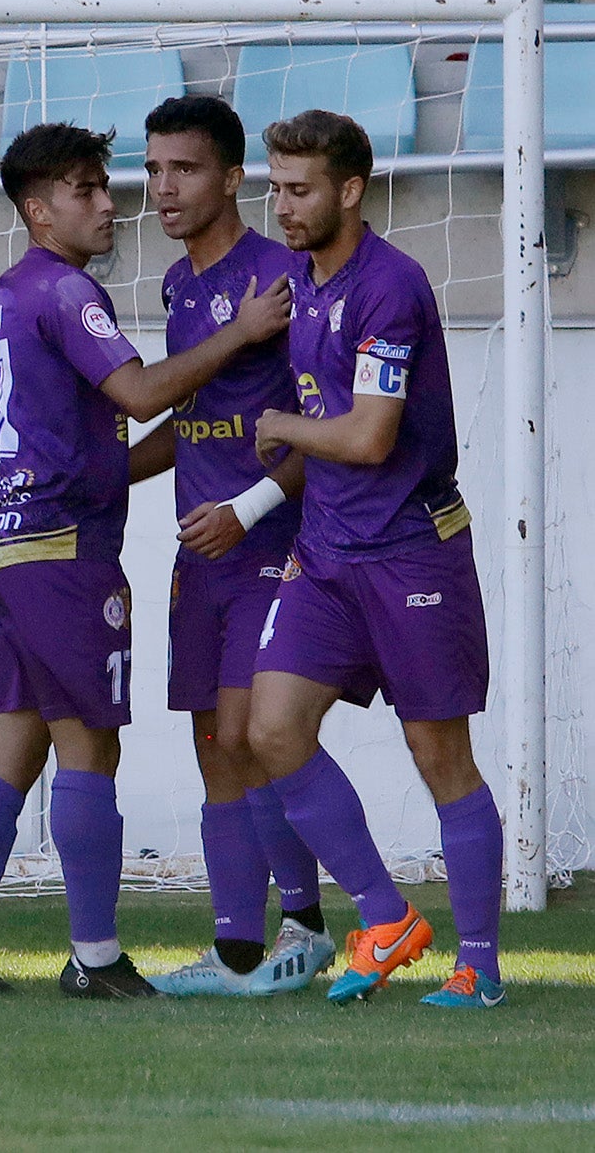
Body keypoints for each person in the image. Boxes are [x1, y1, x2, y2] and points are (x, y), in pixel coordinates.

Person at [0, 122, 292, 999]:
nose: (110, 201)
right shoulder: (66, 290)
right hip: (61, 548)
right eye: (86, 189)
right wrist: (235, 337)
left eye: (105, 185)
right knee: (90, 753)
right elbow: (139, 391)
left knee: (7, 751)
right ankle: (96, 960)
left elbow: (119, 427)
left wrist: (193, 398)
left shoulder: (10, 292)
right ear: (37, 210)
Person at [249, 108, 504, 1009]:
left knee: (441, 756)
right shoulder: (298, 281)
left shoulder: (390, 286)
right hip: (325, 556)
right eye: (274, 186)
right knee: (271, 729)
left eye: (299, 189)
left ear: (349, 191)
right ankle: (386, 915)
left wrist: (279, 427)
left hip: (410, 555)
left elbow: (365, 437)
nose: (281, 205)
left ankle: (479, 965)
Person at [119, 96, 334, 999]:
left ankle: (307, 927)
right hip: (198, 552)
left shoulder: (282, 276)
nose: (164, 188)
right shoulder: (179, 287)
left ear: (234, 177)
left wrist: (248, 508)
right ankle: (238, 947)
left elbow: (316, 425)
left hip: (273, 542)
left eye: (187, 169)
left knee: (257, 735)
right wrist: (110, 473)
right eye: (155, 169)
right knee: (215, 742)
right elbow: (200, 416)